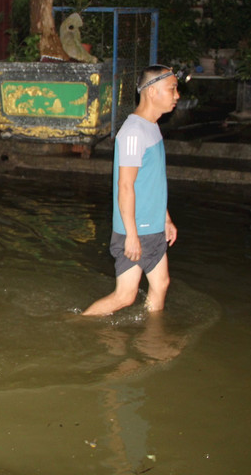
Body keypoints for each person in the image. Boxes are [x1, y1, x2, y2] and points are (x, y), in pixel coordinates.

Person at [83, 65, 180, 316]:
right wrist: (131, 235)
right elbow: (125, 186)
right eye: (172, 89)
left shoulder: (151, 127)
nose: (177, 95)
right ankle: (77, 324)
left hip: (154, 226)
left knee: (161, 284)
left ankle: (152, 341)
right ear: (151, 92)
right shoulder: (134, 132)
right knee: (125, 296)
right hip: (137, 230)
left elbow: (152, 182)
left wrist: (166, 218)